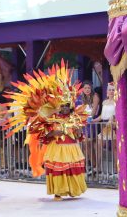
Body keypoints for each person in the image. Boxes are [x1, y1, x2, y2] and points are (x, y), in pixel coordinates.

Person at [8, 63, 88, 200]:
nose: (65, 109)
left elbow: (80, 136)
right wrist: (52, 134)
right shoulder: (52, 117)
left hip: (72, 147)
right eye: (62, 106)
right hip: (56, 148)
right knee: (59, 169)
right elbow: (43, 135)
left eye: (66, 106)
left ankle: (73, 190)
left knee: (71, 169)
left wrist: (79, 131)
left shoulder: (75, 117)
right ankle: (58, 192)